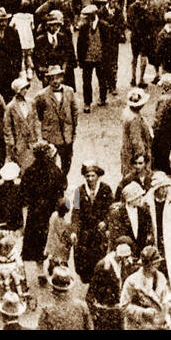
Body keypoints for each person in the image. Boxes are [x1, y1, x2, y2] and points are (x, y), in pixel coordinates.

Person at [20, 141, 66, 284]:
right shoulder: (55, 171)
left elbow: (23, 196)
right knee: (52, 239)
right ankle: (53, 263)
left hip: (35, 213)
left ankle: (40, 272)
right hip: (51, 212)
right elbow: (62, 190)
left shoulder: (29, 172)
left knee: (37, 243)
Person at [72, 162, 114, 284]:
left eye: (92, 176)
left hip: (99, 232)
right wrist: (74, 231)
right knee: (84, 263)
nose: (90, 179)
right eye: (87, 176)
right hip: (85, 233)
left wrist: (105, 222)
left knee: (99, 259)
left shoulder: (105, 189)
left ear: (98, 176)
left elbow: (111, 209)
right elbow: (75, 213)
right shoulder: (79, 191)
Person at [33, 66, 79, 177]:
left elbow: (75, 112)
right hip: (51, 135)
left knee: (67, 160)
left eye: (57, 78)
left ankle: (63, 179)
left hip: (67, 135)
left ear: (62, 78)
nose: (55, 81)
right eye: (52, 78)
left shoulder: (69, 91)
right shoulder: (41, 95)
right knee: (50, 162)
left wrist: (72, 129)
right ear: (48, 80)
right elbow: (38, 115)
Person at [87, 237, 134, 331]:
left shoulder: (124, 265)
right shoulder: (104, 266)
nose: (127, 259)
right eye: (125, 257)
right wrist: (94, 312)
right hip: (105, 314)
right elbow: (91, 293)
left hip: (118, 313)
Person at [120, 245, 170, 330]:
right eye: (154, 263)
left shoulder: (161, 278)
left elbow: (166, 300)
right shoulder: (132, 281)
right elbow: (124, 307)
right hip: (139, 326)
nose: (157, 265)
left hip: (158, 325)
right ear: (145, 264)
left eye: (158, 262)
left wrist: (167, 318)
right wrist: (143, 312)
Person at [121, 87, 153, 177]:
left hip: (127, 149)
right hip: (134, 154)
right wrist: (143, 155)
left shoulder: (127, 111)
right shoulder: (134, 119)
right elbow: (137, 141)